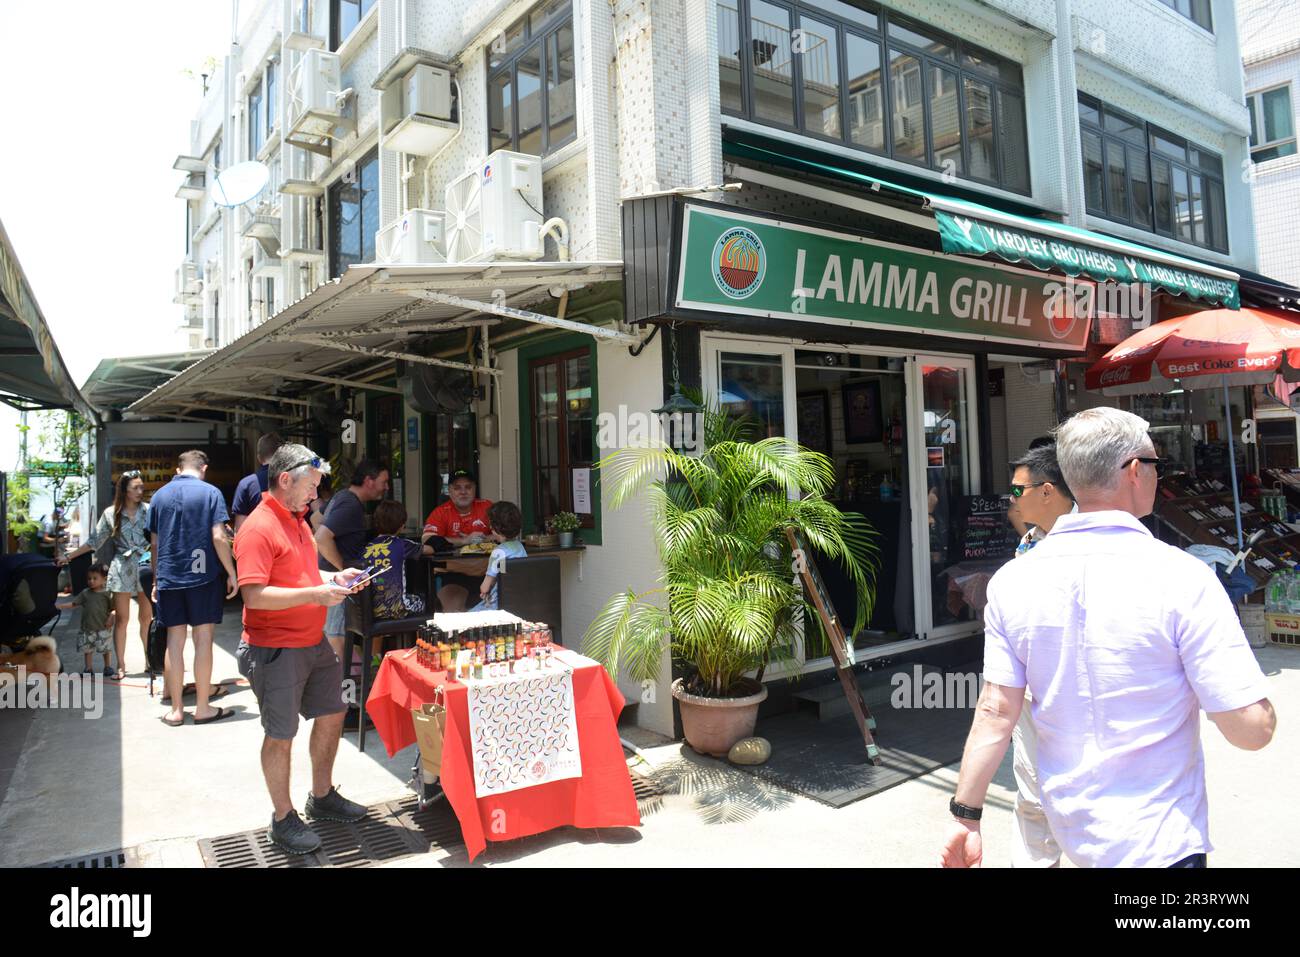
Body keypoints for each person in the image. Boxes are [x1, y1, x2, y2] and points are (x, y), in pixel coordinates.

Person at [941, 408, 1276, 869]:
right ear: (1135, 471)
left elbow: (997, 710)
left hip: (1069, 826)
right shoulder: (1183, 578)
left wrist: (966, 816)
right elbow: (1250, 730)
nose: (1161, 476)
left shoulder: (1013, 581)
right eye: (1158, 465)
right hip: (1160, 839)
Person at [232, 443, 371, 855]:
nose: (315, 495)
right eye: (310, 487)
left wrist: (334, 575)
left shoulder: (296, 518)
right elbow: (253, 596)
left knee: (333, 712)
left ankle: (322, 796)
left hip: (311, 642)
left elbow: (301, 574)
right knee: (281, 735)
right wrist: (316, 593)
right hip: (274, 648)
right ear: (285, 480)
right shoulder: (257, 528)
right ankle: (282, 819)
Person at [1004, 442, 1075, 868]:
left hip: (1077, 695)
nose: (1011, 500)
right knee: (1032, 799)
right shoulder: (1030, 542)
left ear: (1047, 491)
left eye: (1018, 491)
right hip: (1032, 693)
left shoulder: (1094, 542)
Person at [149, 450, 239, 727]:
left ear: (178, 470)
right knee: (203, 640)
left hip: (168, 576)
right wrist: (232, 572)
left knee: (175, 642)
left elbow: (154, 543)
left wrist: (156, 579)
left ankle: (176, 710)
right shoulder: (210, 493)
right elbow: (218, 536)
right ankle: (202, 707)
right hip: (203, 578)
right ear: (204, 468)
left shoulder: (158, 496)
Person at [59, 471, 153, 679]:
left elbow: (159, 539)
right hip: (121, 567)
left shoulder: (148, 510)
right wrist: (70, 556)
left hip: (146, 564)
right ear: (124, 490)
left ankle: (150, 662)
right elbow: (95, 541)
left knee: (146, 618)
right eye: (135, 488)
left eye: (141, 487)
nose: (140, 491)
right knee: (121, 619)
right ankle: (121, 666)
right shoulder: (111, 514)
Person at [315, 460, 390, 657]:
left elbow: (316, 518)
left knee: (334, 634)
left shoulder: (342, 496)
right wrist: (342, 569)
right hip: (335, 580)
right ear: (369, 481)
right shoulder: (350, 504)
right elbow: (321, 537)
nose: (387, 487)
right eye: (384, 481)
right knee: (336, 636)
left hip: (328, 577)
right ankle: (341, 686)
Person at [421, 469, 493, 612]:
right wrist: (464, 540)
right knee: (452, 615)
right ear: (449, 491)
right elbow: (427, 539)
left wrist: (486, 538)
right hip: (454, 575)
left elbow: (506, 534)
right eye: (457, 488)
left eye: (468, 487)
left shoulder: (487, 507)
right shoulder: (441, 512)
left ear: (474, 489)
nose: (463, 492)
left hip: (489, 574)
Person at [363, 500, 428, 622]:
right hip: (397, 609)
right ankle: (415, 639)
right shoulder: (402, 544)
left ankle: (377, 641)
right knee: (423, 602)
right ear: (402, 525)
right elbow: (428, 550)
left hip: (371, 610)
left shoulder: (366, 548)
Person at [56, 563, 115, 675]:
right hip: (87, 628)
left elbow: (114, 608)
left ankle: (107, 667)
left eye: (95, 578)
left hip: (103, 627)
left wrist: (111, 618)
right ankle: (88, 668)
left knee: (105, 648)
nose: (91, 581)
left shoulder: (107, 593)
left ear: (104, 579)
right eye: (89, 578)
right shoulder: (85, 593)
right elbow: (74, 603)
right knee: (87, 650)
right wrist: (60, 606)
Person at [472, 501, 526, 612]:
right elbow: (503, 573)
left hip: (497, 604)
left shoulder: (498, 552)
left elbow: (485, 587)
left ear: (496, 527)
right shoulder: (520, 547)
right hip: (518, 602)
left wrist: (485, 591)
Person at [231, 432, 284, 532]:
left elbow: (241, 528)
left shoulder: (246, 484)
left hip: (260, 544)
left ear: (259, 458)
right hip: (291, 544)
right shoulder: (296, 480)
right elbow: (316, 510)